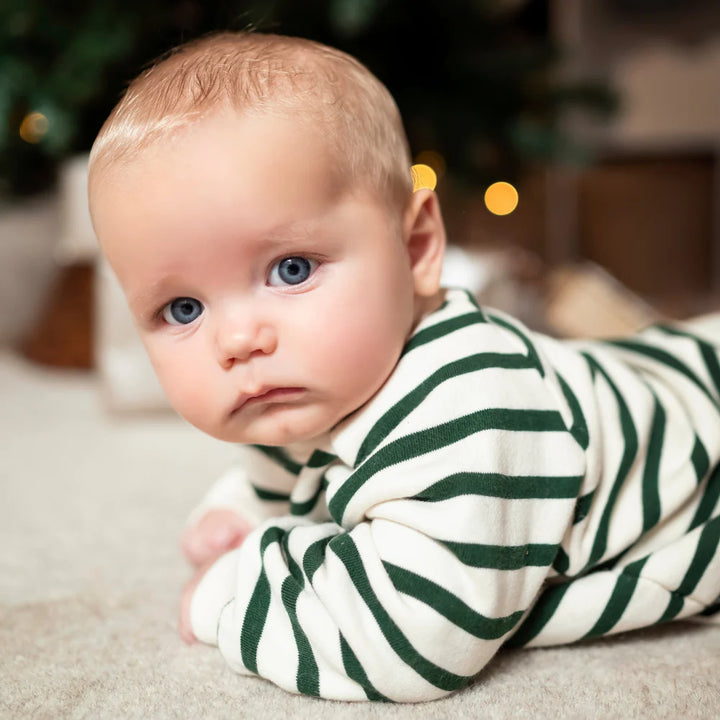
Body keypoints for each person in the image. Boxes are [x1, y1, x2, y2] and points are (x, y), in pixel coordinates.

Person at [87, 31, 720, 703]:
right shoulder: (314, 383)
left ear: (416, 245)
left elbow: (414, 637)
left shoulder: (469, 405)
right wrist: (251, 506)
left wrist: (234, 593)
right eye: (183, 309)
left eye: (290, 269)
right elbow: (304, 461)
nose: (237, 339)